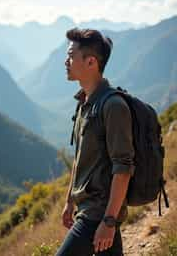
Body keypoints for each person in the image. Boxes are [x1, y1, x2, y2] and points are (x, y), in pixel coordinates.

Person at [55, 28, 135, 256]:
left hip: (97, 214)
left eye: (71, 56)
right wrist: (70, 202)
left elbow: (123, 168)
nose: (65, 61)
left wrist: (109, 222)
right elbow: (81, 157)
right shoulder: (84, 102)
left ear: (91, 62)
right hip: (87, 210)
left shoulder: (113, 106)